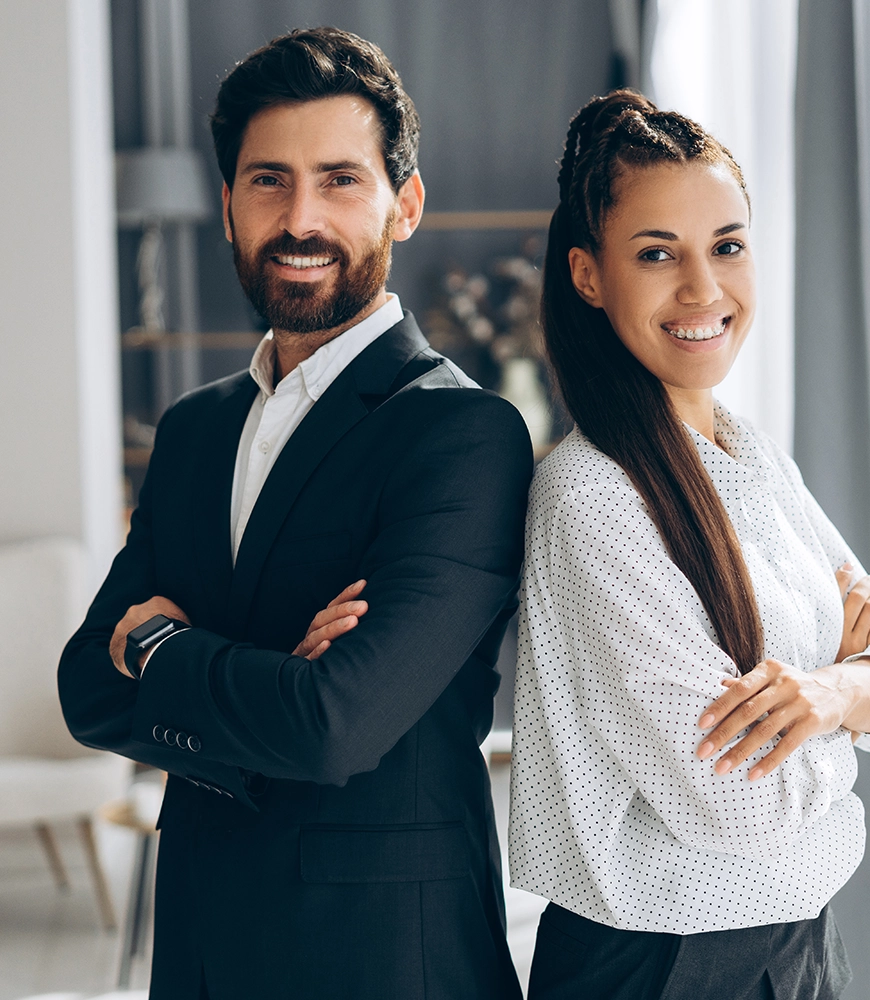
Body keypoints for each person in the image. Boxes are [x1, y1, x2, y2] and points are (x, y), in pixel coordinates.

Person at [58, 27, 531, 1000]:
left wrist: (159, 652)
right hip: (196, 947)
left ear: (405, 204)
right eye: (268, 181)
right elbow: (82, 688)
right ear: (227, 206)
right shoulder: (192, 431)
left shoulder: (464, 433)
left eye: (339, 180)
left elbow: (332, 724)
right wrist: (265, 684)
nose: (300, 217)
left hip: (381, 960)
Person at [508, 90, 870, 1000]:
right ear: (589, 276)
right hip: (661, 967)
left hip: (801, 944)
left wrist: (826, 691)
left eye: (727, 246)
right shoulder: (592, 496)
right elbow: (734, 805)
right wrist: (857, 701)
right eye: (656, 254)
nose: (703, 289)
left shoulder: (751, 453)